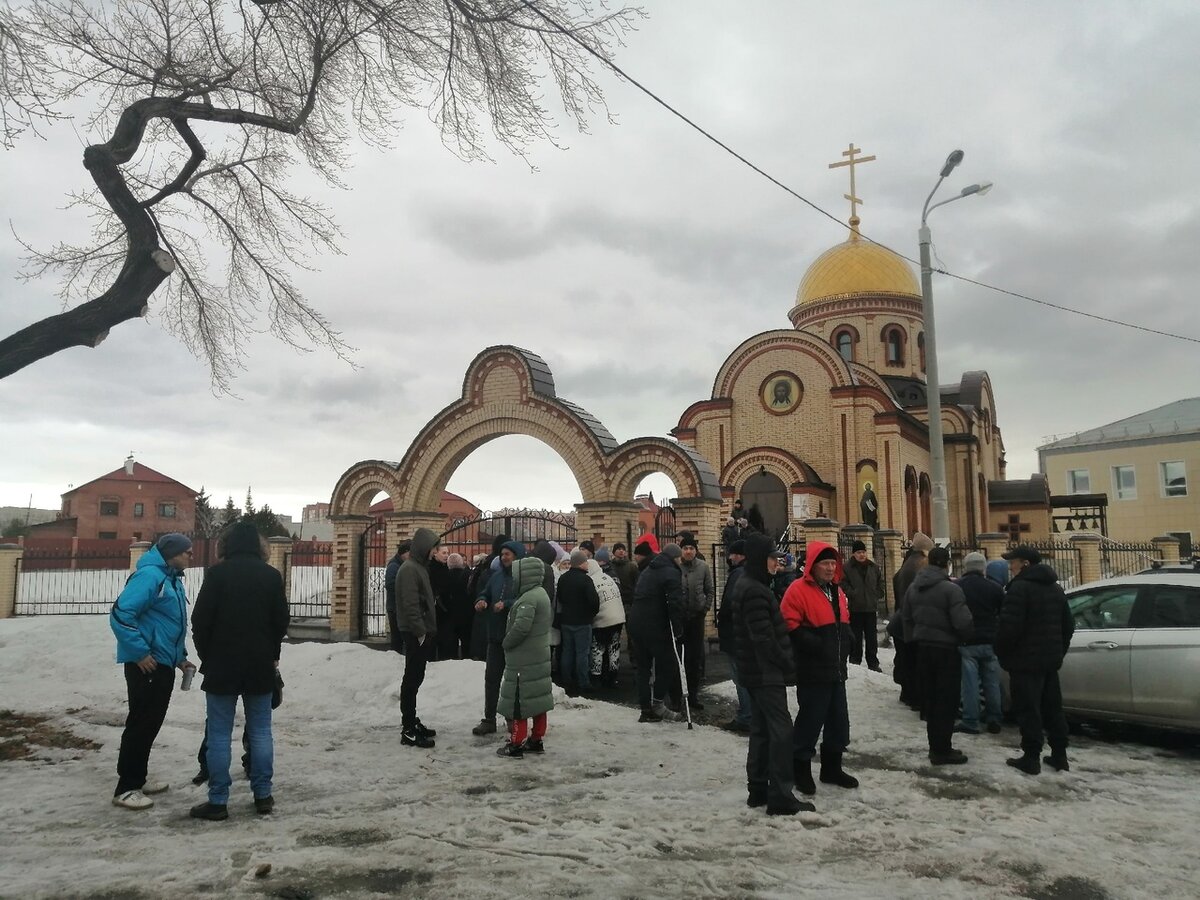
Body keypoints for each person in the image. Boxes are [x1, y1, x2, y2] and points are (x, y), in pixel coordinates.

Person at [189, 521, 290, 820]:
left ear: (228, 545)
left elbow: (200, 621)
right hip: (259, 664)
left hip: (222, 665)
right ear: (259, 546)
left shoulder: (217, 574)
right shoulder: (271, 576)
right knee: (260, 732)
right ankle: (263, 795)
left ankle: (218, 801)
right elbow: (280, 621)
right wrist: (272, 653)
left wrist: (208, 656)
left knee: (219, 734)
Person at [108, 532, 194, 810]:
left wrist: (180, 657)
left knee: (150, 722)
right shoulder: (150, 577)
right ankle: (126, 787)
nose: (190, 556)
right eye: (186, 551)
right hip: (147, 664)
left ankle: (138, 778)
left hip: (162, 662)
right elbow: (121, 614)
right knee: (142, 722)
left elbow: (169, 624)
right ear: (172, 553)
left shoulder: (170, 579)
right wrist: (140, 653)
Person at [733, 534, 813, 816]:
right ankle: (780, 794)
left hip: (756, 671)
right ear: (758, 559)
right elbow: (763, 639)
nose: (777, 563)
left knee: (763, 730)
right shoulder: (755, 590)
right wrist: (785, 662)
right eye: (772, 558)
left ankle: (758, 790)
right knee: (781, 731)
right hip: (765, 672)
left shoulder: (751, 584)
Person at [780, 541, 857, 796]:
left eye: (833, 563)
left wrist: (849, 640)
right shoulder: (797, 590)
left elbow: (844, 621)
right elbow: (789, 625)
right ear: (812, 565)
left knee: (839, 722)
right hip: (812, 669)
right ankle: (800, 768)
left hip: (836, 669)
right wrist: (814, 644)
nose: (830, 567)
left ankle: (831, 768)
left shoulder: (837, 591)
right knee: (810, 721)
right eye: (825, 563)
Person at [996, 546, 1075, 775]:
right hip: (1049, 661)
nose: (1011, 566)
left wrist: (1003, 653)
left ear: (1026, 564)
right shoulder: (1055, 589)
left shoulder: (1019, 589)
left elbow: (1009, 628)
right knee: (1053, 708)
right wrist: (1057, 652)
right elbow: (1067, 626)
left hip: (1024, 663)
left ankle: (1031, 757)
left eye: (1014, 562)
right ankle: (1060, 755)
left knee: (1028, 709)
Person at [903, 546, 973, 765]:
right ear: (946, 563)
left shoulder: (914, 588)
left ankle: (935, 746)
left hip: (923, 648)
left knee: (931, 700)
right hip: (946, 650)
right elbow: (963, 622)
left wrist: (912, 641)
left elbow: (905, 617)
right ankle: (942, 749)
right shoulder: (951, 590)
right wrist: (965, 637)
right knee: (947, 700)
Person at [496, 557, 554, 757]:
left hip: (523, 658)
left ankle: (516, 743)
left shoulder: (528, 598)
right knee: (537, 699)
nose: (514, 579)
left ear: (524, 575)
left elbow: (521, 628)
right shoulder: (541, 594)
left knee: (518, 702)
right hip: (537, 655)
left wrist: (506, 642)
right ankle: (536, 739)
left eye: (516, 575)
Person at [472, 539, 527, 736]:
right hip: (495, 636)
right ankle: (489, 719)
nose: (503, 557)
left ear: (517, 556)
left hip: (515, 638)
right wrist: (481, 601)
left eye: (508, 554)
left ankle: (512, 718)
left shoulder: (524, 578)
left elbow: (527, 600)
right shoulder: (496, 577)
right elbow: (485, 593)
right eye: (502, 554)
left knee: (513, 682)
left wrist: (507, 603)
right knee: (491, 679)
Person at [628, 542, 685, 722]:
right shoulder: (672, 572)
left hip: (636, 623)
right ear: (676, 558)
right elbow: (675, 604)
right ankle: (658, 703)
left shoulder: (648, 569)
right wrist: (678, 629)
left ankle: (646, 710)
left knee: (643, 668)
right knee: (668, 664)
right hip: (656, 626)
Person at [396, 527, 441, 748]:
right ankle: (408, 729)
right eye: (434, 548)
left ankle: (412, 720)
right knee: (412, 678)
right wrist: (420, 631)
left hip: (421, 631)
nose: (436, 552)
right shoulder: (409, 570)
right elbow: (411, 604)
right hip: (416, 633)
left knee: (417, 676)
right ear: (425, 547)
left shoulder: (420, 567)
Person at [955, 552, 1005, 735]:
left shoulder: (958, 587)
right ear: (983, 567)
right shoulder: (995, 588)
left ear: (966, 567)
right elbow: (1002, 612)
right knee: (992, 682)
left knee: (970, 684)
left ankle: (970, 720)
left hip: (968, 641)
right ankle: (994, 718)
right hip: (990, 640)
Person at [889, 531, 933, 709]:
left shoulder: (908, 563)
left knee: (905, 658)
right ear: (925, 551)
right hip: (910, 621)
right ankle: (914, 697)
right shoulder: (919, 566)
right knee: (913, 661)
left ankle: (906, 693)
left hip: (901, 619)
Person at [716, 539, 752, 733]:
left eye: (731, 554)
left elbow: (730, 603)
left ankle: (746, 717)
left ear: (739, 555)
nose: (729, 557)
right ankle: (749, 714)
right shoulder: (749, 572)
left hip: (735, 633)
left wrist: (721, 616)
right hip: (743, 633)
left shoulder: (738, 573)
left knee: (740, 677)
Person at [555, 549, 600, 695]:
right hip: (582, 622)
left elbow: (560, 598)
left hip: (566, 621)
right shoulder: (586, 580)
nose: (587, 564)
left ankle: (566, 680)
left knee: (567, 651)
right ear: (581, 563)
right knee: (582, 653)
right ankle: (583, 682)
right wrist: (591, 614)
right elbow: (594, 601)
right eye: (585, 561)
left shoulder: (563, 578)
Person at [678, 536, 714, 710]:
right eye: (685, 548)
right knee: (679, 657)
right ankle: (678, 694)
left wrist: (704, 609)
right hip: (680, 619)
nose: (689, 551)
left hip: (697, 618)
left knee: (694, 658)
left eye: (691, 548)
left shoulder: (703, 567)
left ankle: (693, 695)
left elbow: (710, 590)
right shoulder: (676, 567)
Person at [842, 540, 885, 672]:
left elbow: (880, 583)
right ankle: (855, 660)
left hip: (870, 608)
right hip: (855, 608)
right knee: (856, 636)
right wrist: (853, 593)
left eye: (863, 552)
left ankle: (873, 662)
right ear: (854, 554)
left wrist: (876, 594)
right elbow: (843, 584)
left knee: (872, 637)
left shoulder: (873, 567)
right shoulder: (847, 568)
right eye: (858, 552)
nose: (861, 555)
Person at [586, 557, 626, 688]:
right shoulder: (608, 578)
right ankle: (613, 676)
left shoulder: (591, 581)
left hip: (602, 620)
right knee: (614, 648)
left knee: (598, 648)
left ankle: (596, 676)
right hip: (618, 618)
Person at [442, 552, 475, 659]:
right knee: (466, 641)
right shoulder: (468, 575)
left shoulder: (444, 576)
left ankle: (452, 660)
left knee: (450, 644)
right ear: (461, 563)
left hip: (449, 614)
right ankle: (467, 659)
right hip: (466, 614)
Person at [384, 541, 411, 654]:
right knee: (397, 636)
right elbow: (390, 584)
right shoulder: (394, 565)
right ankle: (395, 656)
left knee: (403, 635)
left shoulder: (403, 564)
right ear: (404, 553)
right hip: (395, 607)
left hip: (401, 607)